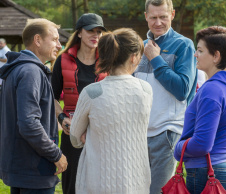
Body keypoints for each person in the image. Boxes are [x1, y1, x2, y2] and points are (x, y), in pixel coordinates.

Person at [70, 28, 153, 194]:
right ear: (134, 57)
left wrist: (88, 134)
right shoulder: (145, 89)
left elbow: (74, 138)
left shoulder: (92, 92)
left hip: (99, 181)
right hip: (136, 181)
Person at [134, 0, 197, 193]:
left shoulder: (183, 45)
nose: (158, 22)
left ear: (172, 14)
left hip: (166, 133)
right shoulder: (139, 46)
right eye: (153, 17)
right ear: (146, 16)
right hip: (139, 134)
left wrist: (156, 59)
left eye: (163, 16)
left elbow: (182, 90)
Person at [174, 26, 226, 194]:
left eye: (200, 50)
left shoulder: (213, 90)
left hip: (209, 173)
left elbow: (202, 144)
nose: (195, 55)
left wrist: (178, 149)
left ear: (216, 56)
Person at [0, 19, 68, 194]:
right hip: (34, 170)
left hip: (23, 167)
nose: (59, 45)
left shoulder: (18, 69)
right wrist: (56, 154)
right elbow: (28, 123)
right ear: (37, 40)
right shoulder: (31, 72)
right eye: (54, 39)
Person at [51, 13, 107, 194]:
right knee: (71, 185)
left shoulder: (108, 61)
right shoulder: (63, 59)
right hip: (72, 133)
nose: (95, 35)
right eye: (90, 30)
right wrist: (62, 118)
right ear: (79, 33)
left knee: (99, 185)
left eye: (99, 31)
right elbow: (51, 97)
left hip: (101, 134)